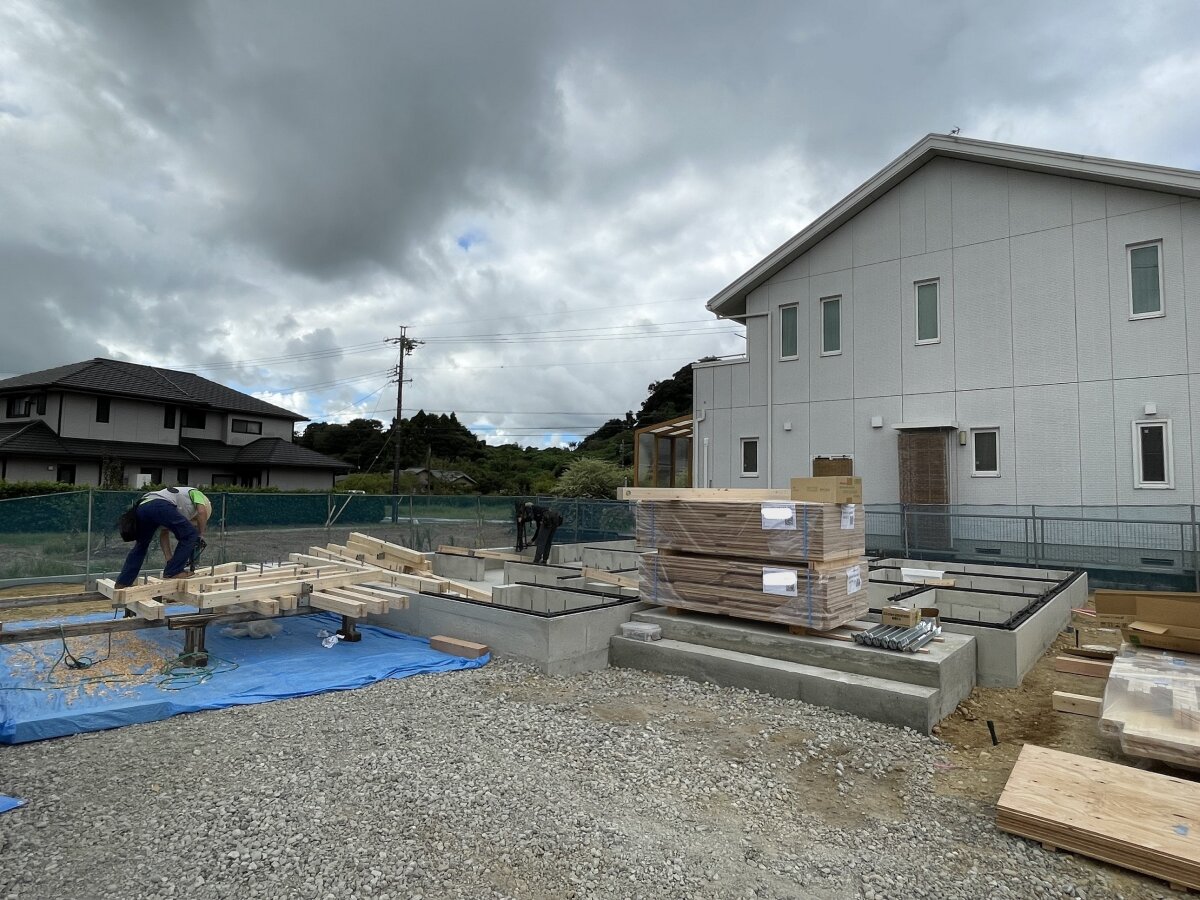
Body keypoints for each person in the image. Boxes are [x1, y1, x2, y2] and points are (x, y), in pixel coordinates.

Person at [114, 486, 212, 588]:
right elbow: (202, 512)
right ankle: (174, 571)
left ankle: (123, 583)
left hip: (142, 507)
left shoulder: (176, 503)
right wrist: (200, 534)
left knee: (141, 546)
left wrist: (169, 559)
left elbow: (164, 533)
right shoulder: (196, 493)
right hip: (159, 505)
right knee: (191, 535)